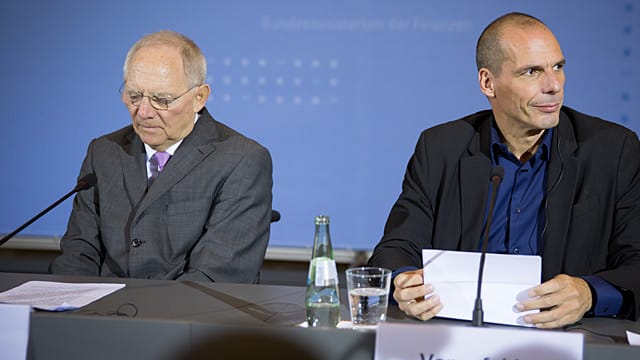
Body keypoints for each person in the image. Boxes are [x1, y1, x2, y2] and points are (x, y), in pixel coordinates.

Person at [368, 12, 640, 328]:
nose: (553, 85)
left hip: (567, 338)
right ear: (488, 82)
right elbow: (395, 249)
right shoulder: (441, 148)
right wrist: (405, 282)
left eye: (558, 67)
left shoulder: (612, 150)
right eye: (532, 72)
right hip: (457, 338)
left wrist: (589, 293)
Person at [50, 31, 273, 283]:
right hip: (99, 314)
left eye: (161, 100)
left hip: (185, 315)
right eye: (134, 96)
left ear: (199, 97)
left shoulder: (241, 160)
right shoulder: (103, 152)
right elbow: (79, 252)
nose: (143, 112)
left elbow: (217, 273)